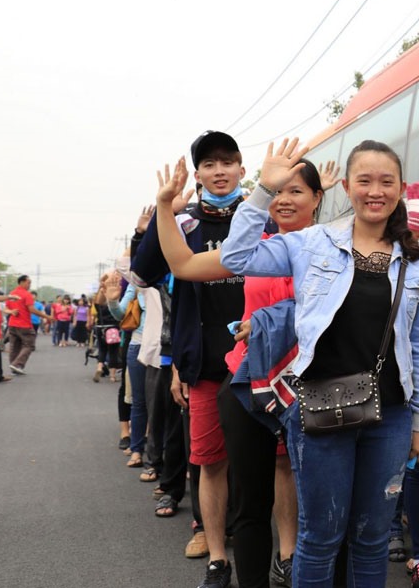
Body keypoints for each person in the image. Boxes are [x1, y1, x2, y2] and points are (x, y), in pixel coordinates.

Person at [221, 138, 419, 588]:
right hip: (319, 407)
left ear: (400, 189)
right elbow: (235, 257)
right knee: (320, 536)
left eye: (386, 182)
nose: (375, 191)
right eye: (364, 180)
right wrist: (263, 189)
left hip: (393, 416)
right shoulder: (310, 244)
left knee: (373, 536)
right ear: (346, 186)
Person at [154, 153, 334, 588]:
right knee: (250, 502)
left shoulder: (334, 246)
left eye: (297, 191)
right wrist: (163, 206)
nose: (285, 201)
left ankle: (293, 563)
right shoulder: (261, 249)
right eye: (278, 192)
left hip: (312, 385)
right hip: (250, 384)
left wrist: (275, 318)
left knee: (315, 498)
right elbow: (183, 265)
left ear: (317, 197)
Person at [131, 130, 246, 588]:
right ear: (196, 174)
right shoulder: (184, 223)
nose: (219, 171)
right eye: (209, 164)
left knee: (276, 464)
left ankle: (280, 550)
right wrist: (164, 208)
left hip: (261, 366)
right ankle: (216, 552)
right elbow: (141, 274)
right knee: (209, 460)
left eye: (228, 162)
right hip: (203, 366)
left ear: (242, 169)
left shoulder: (259, 217)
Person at [5, 275, 52, 374]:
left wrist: (11, 312)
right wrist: (46, 316)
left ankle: (14, 366)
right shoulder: (26, 294)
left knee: (15, 346)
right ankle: (17, 364)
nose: (29, 285)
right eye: (28, 282)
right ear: (21, 282)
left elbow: (6, 309)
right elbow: (31, 309)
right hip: (24, 324)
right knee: (29, 345)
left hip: (12, 324)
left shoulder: (12, 294)